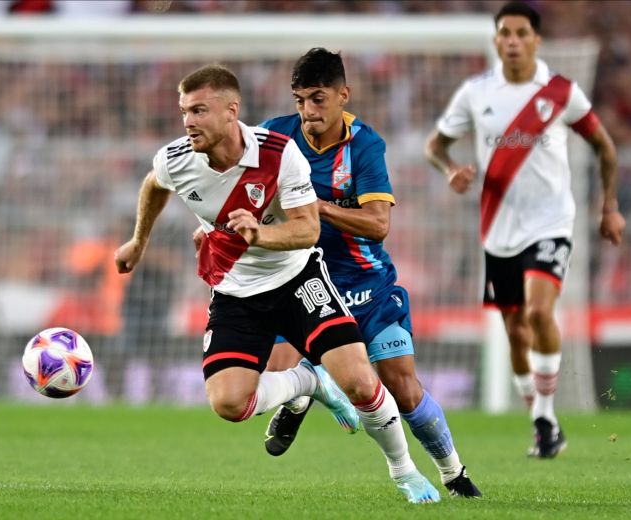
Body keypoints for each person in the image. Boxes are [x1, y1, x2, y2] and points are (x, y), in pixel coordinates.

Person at [115, 64, 440, 504]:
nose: (188, 121)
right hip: (234, 291)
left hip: (297, 279)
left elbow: (307, 231)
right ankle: (307, 383)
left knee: (362, 383)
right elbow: (154, 185)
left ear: (231, 112)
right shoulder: (176, 159)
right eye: (184, 111)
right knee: (229, 404)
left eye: (199, 111)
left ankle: (404, 472)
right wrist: (138, 241)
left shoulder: (278, 153)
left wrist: (258, 235)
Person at [254, 48, 481, 498]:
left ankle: (453, 473)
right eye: (300, 100)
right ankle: (308, 387)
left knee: (403, 388)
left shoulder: (365, 145)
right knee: (268, 378)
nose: (307, 111)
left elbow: (378, 223)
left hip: (364, 285)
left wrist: (314, 207)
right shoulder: (273, 137)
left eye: (317, 99)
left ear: (343, 95)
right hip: (301, 282)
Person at [424, 1, 626, 458]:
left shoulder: (559, 91)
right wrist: (450, 169)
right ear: (496, 40)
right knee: (515, 331)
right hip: (498, 228)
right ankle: (541, 419)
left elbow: (605, 147)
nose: (512, 41)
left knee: (539, 313)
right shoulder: (476, 92)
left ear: (536, 39)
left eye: (520, 33)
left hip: (552, 221)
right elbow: (434, 146)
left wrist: (609, 207)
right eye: (505, 33)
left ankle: (546, 415)